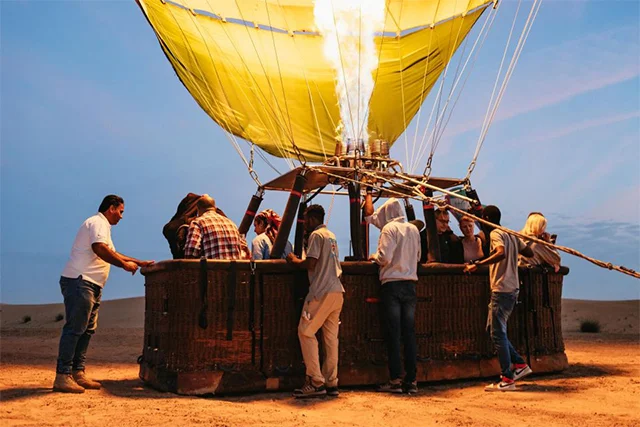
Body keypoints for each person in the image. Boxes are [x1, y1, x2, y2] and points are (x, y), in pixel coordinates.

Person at [54, 195, 154, 393]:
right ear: (111, 208)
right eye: (121, 211)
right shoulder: (97, 222)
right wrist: (124, 266)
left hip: (92, 284)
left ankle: (77, 372)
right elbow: (99, 249)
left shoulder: (103, 227)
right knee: (75, 328)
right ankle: (62, 375)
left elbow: (112, 252)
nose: (122, 216)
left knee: (87, 329)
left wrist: (138, 262)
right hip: (80, 281)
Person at [463, 205, 534, 392]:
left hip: (501, 288)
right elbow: (529, 253)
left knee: (497, 332)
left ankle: (507, 378)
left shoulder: (495, 233)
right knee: (493, 330)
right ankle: (519, 364)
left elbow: (500, 252)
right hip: (512, 288)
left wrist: (478, 264)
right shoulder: (510, 233)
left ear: (486, 218)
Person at [286, 204, 344, 398]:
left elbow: (311, 262)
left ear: (311, 219)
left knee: (305, 331)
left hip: (321, 291)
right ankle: (331, 382)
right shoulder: (332, 235)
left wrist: (294, 260)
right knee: (330, 339)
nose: (304, 224)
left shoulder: (316, 236)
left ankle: (315, 381)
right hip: (337, 291)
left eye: (305, 220)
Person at [364, 196, 421, 395]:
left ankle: (396, 379)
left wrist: (374, 256)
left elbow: (384, 257)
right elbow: (418, 257)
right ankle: (412, 380)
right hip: (410, 285)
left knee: (394, 333)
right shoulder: (413, 229)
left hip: (392, 285)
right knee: (409, 333)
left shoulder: (389, 229)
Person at [183, 195, 249, 260]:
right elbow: (243, 251)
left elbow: (190, 253)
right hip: (234, 270)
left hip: (212, 270)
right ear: (215, 207)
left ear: (198, 209)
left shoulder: (197, 223)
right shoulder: (232, 224)